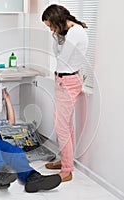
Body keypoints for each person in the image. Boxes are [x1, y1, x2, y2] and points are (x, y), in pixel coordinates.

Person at [0, 82, 61, 192]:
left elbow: (11, 122)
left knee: (14, 150)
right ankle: (1, 172)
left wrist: (7, 100)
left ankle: (33, 178)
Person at [42, 4, 89, 182]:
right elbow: (57, 55)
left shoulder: (75, 32)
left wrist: (58, 37)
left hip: (68, 81)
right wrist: (56, 36)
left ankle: (67, 169)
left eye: (51, 26)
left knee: (61, 126)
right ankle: (65, 161)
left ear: (58, 20)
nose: (51, 30)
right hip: (63, 79)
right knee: (65, 125)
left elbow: (62, 58)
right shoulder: (67, 32)